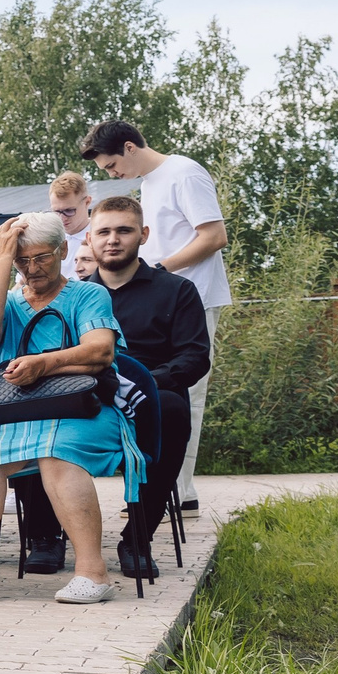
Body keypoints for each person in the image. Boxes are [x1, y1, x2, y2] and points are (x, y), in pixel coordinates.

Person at [0, 211, 140, 605]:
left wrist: (42, 363)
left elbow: (101, 350)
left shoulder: (88, 293)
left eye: (41, 258)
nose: (31, 269)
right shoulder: (10, 301)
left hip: (82, 410)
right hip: (19, 412)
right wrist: (1, 257)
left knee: (56, 451)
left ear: (63, 250)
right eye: (22, 260)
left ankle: (92, 572)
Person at [83, 119, 227, 507]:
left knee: (184, 395)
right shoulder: (149, 183)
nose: (112, 173)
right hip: (148, 299)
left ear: (130, 147)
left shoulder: (183, 172)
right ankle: (163, 488)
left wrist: (160, 270)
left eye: (112, 165)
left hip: (188, 296)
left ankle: (180, 492)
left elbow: (214, 236)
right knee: (142, 389)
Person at [87, 195, 210, 578]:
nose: (113, 239)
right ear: (89, 239)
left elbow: (194, 357)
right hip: (88, 393)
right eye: (103, 231)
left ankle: (137, 538)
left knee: (173, 408)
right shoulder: (73, 295)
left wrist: (144, 385)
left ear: (143, 235)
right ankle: (45, 537)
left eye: (123, 230)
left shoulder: (177, 291)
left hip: (153, 395)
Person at [48, 170, 94, 278]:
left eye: (69, 211)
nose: (62, 218)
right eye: (57, 211)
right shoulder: (48, 238)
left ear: (87, 202)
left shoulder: (102, 236)